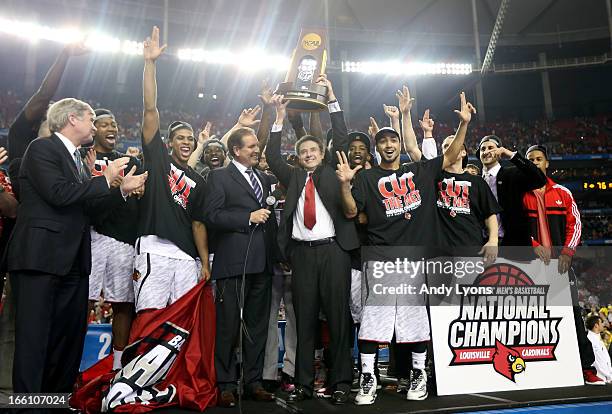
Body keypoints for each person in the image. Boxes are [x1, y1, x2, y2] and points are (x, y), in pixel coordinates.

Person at [337, 92, 476, 405]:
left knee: (415, 323)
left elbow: (451, 156)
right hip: (380, 259)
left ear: (400, 145)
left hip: (414, 262)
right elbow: (349, 213)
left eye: (393, 141)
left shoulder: (419, 172)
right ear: (378, 147)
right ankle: (368, 378)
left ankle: (418, 375)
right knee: (374, 321)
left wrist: (463, 125)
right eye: (383, 141)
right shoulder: (367, 177)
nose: (389, 145)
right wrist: (346, 185)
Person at [5, 98, 146, 397]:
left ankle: (55, 400)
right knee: (35, 340)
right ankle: (29, 405)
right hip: (39, 259)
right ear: (72, 119)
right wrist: (104, 181)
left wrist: (119, 190)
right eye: (92, 120)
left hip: (72, 262)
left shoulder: (76, 160)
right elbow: (58, 194)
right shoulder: (42, 148)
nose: (95, 126)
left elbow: (88, 207)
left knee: (67, 339)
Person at [266, 75, 359, 405]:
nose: (307, 153)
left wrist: (332, 97)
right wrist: (278, 118)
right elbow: (272, 155)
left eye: (312, 150)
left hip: (334, 252)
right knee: (304, 320)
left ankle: (342, 381)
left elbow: (343, 137)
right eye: (303, 150)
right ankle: (304, 383)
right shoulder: (291, 176)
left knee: (338, 319)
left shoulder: (333, 169)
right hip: (302, 256)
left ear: (322, 153)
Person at [134, 26, 210, 314]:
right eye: (181, 137)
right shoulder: (157, 161)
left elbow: (198, 223)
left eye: (190, 139)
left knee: (182, 323)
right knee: (149, 316)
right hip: (154, 248)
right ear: (168, 143)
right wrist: (150, 63)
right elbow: (150, 110)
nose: (187, 142)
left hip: (187, 257)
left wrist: (203, 262)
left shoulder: (198, 181)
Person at [204, 126, 278, 407]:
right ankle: (224, 384)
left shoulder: (263, 177)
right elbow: (212, 215)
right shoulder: (220, 176)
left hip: (263, 263)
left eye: (257, 146)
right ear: (236, 150)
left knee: (258, 327)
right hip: (234, 262)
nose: (256, 150)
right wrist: (247, 216)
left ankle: (253, 382)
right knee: (228, 326)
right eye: (250, 147)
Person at [521, 144, 594, 384]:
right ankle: (536, 369)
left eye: (538, 159)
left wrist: (567, 252)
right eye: (530, 160)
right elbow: (514, 227)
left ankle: (586, 368)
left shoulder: (562, 192)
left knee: (573, 315)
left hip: (560, 266)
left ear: (547, 163)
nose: (535, 163)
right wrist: (532, 244)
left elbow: (576, 224)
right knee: (532, 318)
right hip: (530, 267)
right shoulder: (520, 194)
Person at [85, 108, 143, 370]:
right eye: (106, 124)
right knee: (81, 301)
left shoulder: (129, 162)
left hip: (123, 240)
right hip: (91, 236)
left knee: (123, 303)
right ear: (93, 129)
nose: (113, 129)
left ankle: (119, 367)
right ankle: (69, 362)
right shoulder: (81, 159)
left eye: (115, 124)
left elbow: (141, 194)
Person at [436, 136, 500, 261]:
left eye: (454, 144)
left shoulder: (477, 181)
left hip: (471, 249)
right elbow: (413, 150)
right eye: (445, 146)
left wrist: (493, 240)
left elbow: (490, 213)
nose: (450, 148)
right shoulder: (434, 177)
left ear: (464, 152)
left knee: (469, 281)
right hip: (439, 252)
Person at [478, 134, 546, 247]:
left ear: (500, 152)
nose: (486, 151)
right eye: (482, 149)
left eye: (491, 148)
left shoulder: (512, 175)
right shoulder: (476, 181)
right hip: (482, 243)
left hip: (512, 243)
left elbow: (539, 179)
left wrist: (510, 154)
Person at [585, 315, 612, 384]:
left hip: (606, 377)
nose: (603, 324)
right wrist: (609, 376)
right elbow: (597, 362)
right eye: (601, 322)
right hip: (601, 379)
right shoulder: (590, 340)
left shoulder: (597, 338)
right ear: (596, 325)